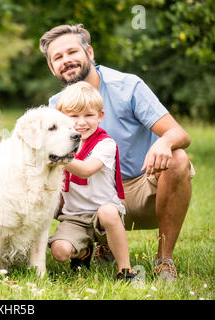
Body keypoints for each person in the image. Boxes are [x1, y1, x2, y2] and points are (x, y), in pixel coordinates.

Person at [40, 24, 194, 281]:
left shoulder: (128, 86)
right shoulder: (56, 104)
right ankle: (85, 245)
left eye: (72, 52)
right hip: (86, 197)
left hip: (137, 189)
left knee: (178, 159)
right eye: (58, 57)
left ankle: (164, 259)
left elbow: (180, 134)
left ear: (89, 52)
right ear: (51, 67)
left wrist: (164, 142)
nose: (66, 61)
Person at [49, 81, 136, 281]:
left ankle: (125, 270)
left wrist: (57, 158)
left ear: (100, 116)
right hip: (75, 216)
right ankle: (83, 252)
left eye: (88, 115)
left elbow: (86, 170)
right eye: (73, 116)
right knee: (59, 251)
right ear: (61, 117)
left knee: (107, 212)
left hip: (105, 215)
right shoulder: (58, 144)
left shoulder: (105, 143)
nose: (81, 122)